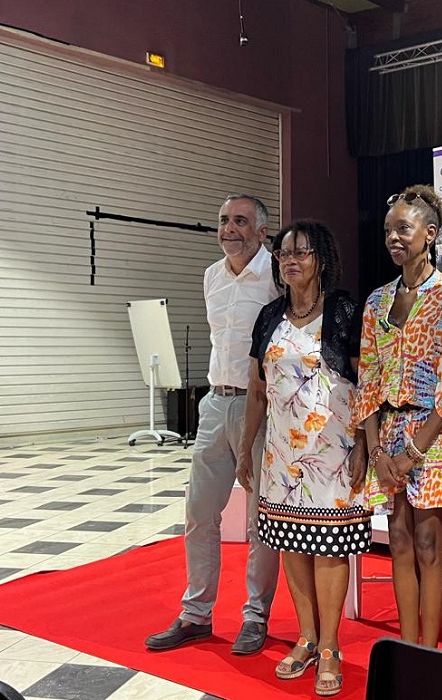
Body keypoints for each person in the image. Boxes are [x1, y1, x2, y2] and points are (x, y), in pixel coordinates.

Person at [145, 194, 280, 656]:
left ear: (262, 231)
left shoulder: (277, 274)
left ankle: (255, 616)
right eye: (224, 220)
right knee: (200, 512)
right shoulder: (211, 276)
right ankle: (196, 615)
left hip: (261, 407)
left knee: (263, 520)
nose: (229, 229)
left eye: (240, 221)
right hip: (215, 403)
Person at [241, 220, 369, 697]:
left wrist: (364, 444)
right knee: (292, 544)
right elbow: (257, 389)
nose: (290, 260)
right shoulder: (268, 316)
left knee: (329, 546)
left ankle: (331, 645)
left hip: (333, 450)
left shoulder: (344, 310)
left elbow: (365, 382)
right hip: (281, 452)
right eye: (283, 253)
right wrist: (246, 446)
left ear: (321, 259)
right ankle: (307, 637)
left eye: (301, 252)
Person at [354, 185, 442, 648]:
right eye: (388, 230)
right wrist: (377, 449)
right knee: (398, 540)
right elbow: (368, 376)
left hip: (433, 433)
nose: (393, 238)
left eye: (403, 228)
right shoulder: (377, 301)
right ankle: (406, 648)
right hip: (387, 431)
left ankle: (429, 651)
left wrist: (413, 452)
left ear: (430, 234)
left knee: (428, 543)